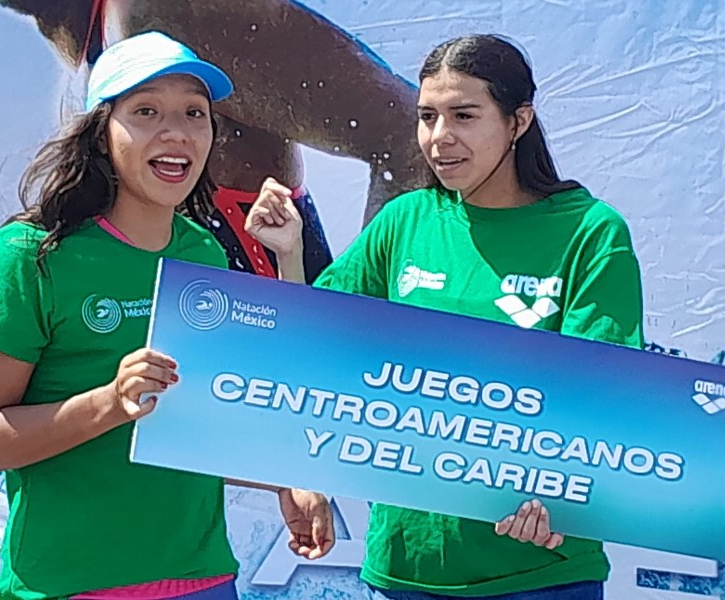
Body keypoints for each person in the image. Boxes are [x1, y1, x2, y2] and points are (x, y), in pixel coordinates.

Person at [245, 34, 644, 600]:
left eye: (464, 116)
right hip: (404, 567)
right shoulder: (404, 219)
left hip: (537, 572)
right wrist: (289, 252)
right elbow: (317, 346)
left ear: (518, 121)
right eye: (427, 116)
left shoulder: (591, 232)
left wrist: (560, 494)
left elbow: (607, 396)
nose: (439, 137)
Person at [0, 31, 333, 600]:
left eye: (194, 113)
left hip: (204, 579)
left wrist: (284, 480)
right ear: (102, 133)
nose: (176, 132)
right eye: (147, 111)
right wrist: (108, 402)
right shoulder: (31, 255)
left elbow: (194, 425)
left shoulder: (203, 253)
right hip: (67, 585)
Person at [0, 0, 434, 283]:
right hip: (183, 306)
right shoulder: (80, 25)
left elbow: (408, 137)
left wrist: (367, 323)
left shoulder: (174, 8)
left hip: (255, 296)